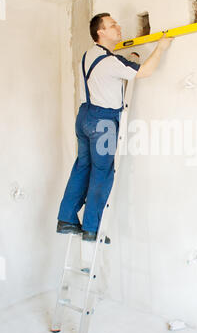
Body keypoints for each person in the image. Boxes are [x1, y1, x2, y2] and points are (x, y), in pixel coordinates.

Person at [56, 13, 173, 241]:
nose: (118, 27)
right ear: (100, 32)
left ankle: (66, 219)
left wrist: (130, 58)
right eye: (112, 25)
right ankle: (91, 228)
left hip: (85, 117)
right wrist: (161, 48)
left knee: (82, 168)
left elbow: (112, 74)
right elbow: (144, 72)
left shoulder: (89, 56)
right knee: (102, 172)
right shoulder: (111, 61)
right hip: (103, 122)